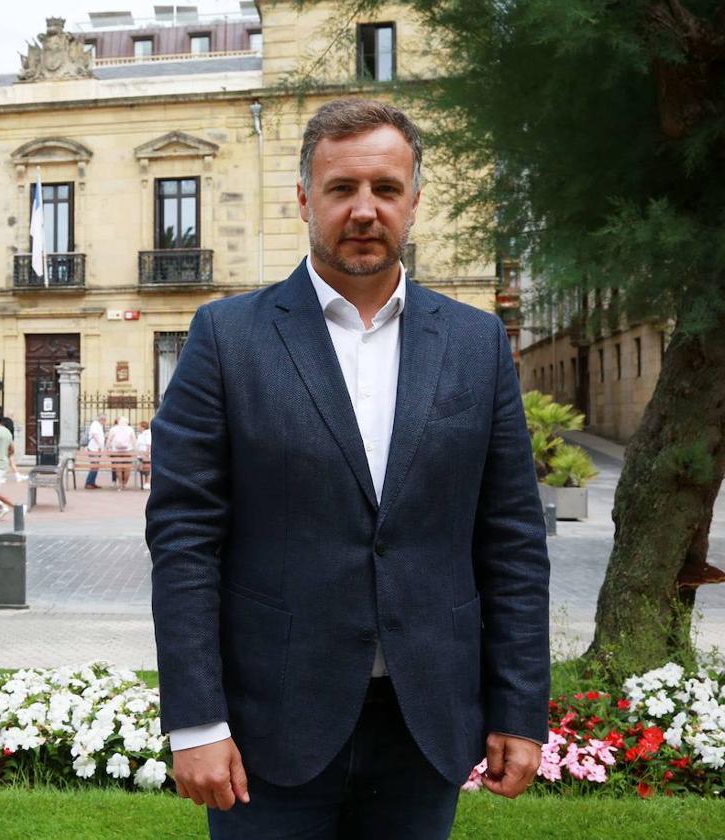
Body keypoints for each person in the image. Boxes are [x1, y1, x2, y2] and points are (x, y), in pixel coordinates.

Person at [146, 99, 549, 839]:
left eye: (386, 190)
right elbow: (184, 541)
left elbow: (513, 539)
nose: (364, 210)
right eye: (342, 189)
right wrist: (196, 720)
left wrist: (519, 709)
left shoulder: (475, 342)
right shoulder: (226, 339)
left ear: (414, 202)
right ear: (305, 197)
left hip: (426, 721)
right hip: (268, 725)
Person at [105, 416, 137, 490]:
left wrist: (107, 448)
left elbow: (109, 440)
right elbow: (134, 441)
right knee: (127, 468)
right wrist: (135, 451)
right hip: (128, 451)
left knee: (118, 469)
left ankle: (120, 484)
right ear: (127, 422)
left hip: (116, 451)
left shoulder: (113, 429)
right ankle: (125, 484)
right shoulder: (130, 429)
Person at [84, 413, 106, 489]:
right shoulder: (95, 424)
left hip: (97, 449)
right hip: (94, 448)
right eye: (104, 419)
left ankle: (92, 482)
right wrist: (100, 444)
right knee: (94, 466)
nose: (105, 421)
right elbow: (94, 435)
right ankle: (88, 483)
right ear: (101, 419)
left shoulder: (99, 425)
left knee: (96, 466)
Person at [135, 419, 152, 490]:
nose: (137, 427)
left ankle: (147, 482)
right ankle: (144, 482)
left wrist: (147, 454)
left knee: (146, 469)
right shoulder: (141, 434)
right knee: (142, 469)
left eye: (139, 426)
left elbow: (148, 444)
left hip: (145, 455)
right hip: (140, 455)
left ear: (143, 427)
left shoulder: (147, 433)